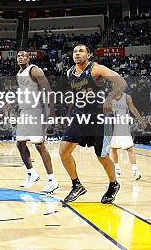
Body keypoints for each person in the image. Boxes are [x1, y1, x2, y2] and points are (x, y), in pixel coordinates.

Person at [60, 44, 126, 204]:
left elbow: (121, 83)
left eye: (81, 51)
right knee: (63, 151)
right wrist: (70, 114)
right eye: (75, 51)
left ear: (89, 55)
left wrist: (110, 99)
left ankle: (113, 184)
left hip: (100, 118)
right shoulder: (70, 72)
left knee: (102, 156)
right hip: (80, 116)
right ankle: (76, 185)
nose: (77, 53)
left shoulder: (96, 69)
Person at [15, 51, 59, 194]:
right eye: (18, 56)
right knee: (20, 143)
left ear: (28, 58)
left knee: (39, 145)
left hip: (37, 111)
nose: (20, 57)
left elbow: (48, 90)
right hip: (25, 111)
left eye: (23, 55)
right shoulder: (18, 74)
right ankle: (32, 173)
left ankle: (52, 180)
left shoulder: (34, 70)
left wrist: (52, 111)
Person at [109, 91, 142, 181]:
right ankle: (117, 169)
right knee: (113, 148)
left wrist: (140, 119)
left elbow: (133, 109)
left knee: (129, 148)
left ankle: (135, 171)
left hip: (123, 125)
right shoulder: (110, 97)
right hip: (113, 125)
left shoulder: (127, 97)